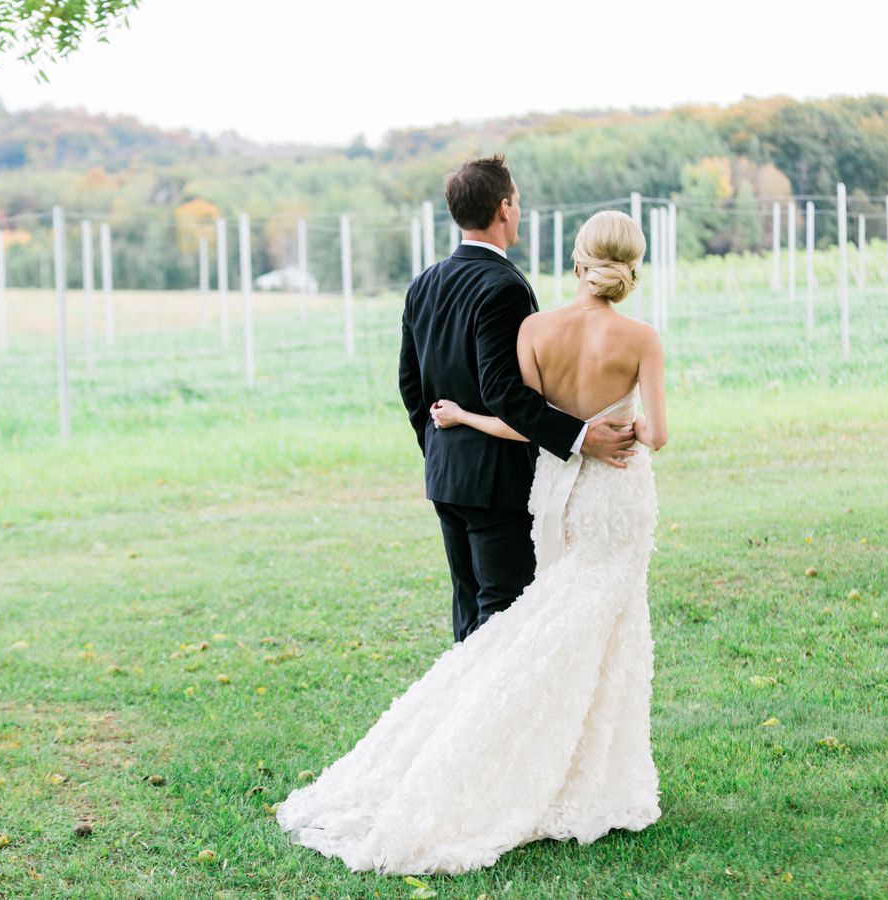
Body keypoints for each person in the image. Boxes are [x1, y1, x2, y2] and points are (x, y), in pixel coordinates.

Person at [275, 206, 667, 875]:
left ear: (579, 259)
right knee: (586, 630)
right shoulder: (640, 339)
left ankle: (572, 768)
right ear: (632, 263)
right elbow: (655, 435)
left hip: (548, 495)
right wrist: (618, 433)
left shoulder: (534, 329)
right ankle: (560, 770)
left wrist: (455, 422)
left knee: (532, 620)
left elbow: (519, 418)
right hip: (615, 498)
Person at [396, 155, 637, 645]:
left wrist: (440, 450)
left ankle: (458, 716)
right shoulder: (503, 286)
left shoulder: (424, 282)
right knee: (504, 617)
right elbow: (504, 391)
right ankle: (486, 719)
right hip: (495, 480)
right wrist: (580, 436)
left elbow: (409, 384)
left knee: (469, 616)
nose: (520, 212)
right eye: (519, 203)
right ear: (504, 208)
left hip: (445, 476)